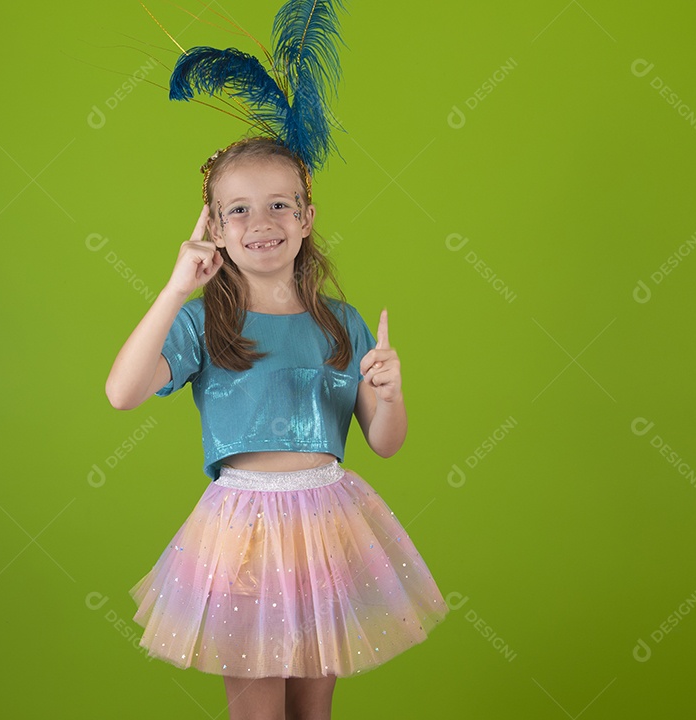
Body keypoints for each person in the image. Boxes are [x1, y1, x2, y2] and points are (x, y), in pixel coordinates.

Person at [105, 135, 448, 720]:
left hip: (327, 528)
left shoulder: (340, 322)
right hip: (243, 535)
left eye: (279, 204)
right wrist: (174, 290)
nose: (260, 221)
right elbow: (122, 393)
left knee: (313, 711)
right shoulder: (203, 320)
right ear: (213, 226)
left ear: (307, 218)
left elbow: (385, 443)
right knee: (258, 713)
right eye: (237, 209)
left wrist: (390, 394)